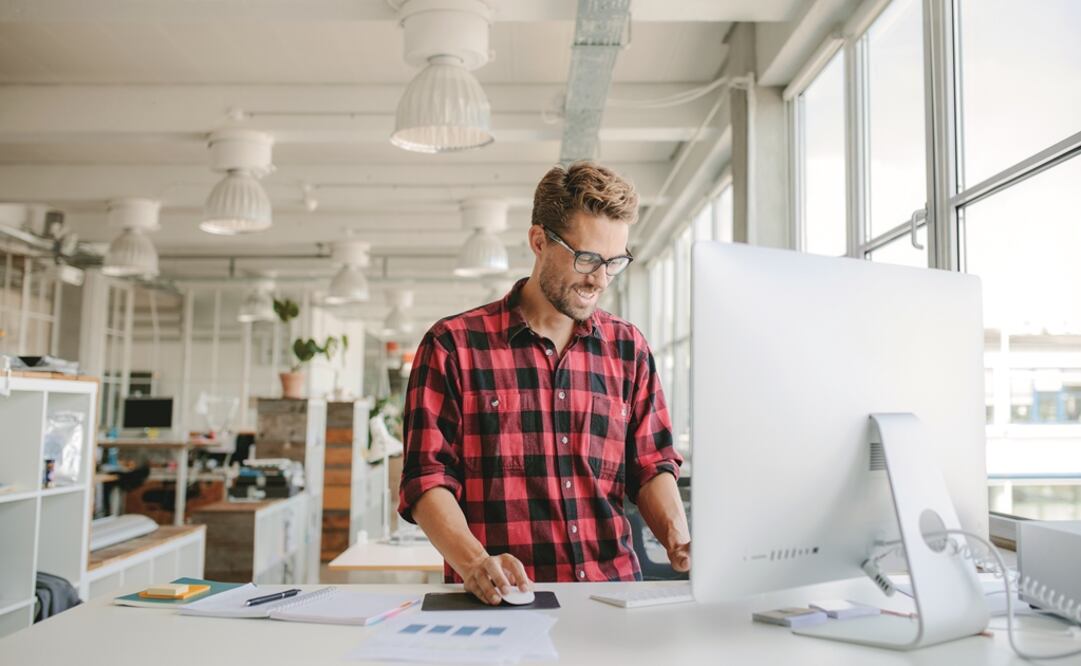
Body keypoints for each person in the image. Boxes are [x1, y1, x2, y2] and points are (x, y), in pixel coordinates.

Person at [398, 161, 690, 605]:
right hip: (503, 603)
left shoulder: (628, 348)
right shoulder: (452, 346)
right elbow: (426, 478)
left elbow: (651, 465)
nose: (600, 279)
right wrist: (475, 562)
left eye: (614, 262)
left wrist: (680, 541)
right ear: (539, 241)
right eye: (587, 258)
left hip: (611, 599)